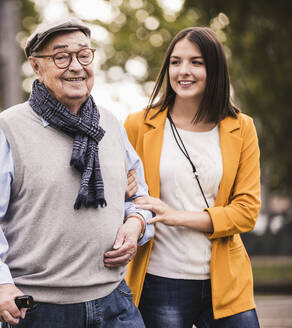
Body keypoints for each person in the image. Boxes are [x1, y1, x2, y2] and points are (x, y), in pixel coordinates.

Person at [0, 17, 154, 327]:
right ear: (36, 67)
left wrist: (135, 226)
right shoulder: (8, 129)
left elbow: (141, 199)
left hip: (114, 303)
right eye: (61, 56)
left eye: (83, 55)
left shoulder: (111, 126)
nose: (76, 66)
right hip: (41, 310)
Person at [123, 27, 261, 327]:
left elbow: (247, 212)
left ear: (214, 69)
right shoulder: (138, 125)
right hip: (160, 281)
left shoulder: (242, 128)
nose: (183, 71)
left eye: (196, 62)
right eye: (175, 62)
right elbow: (123, 198)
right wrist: (122, 190)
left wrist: (176, 216)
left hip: (227, 282)